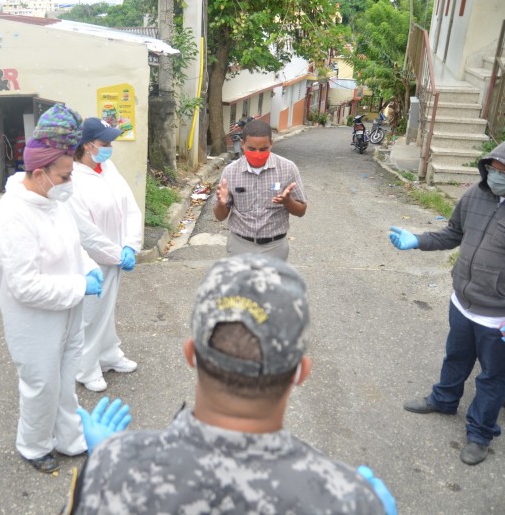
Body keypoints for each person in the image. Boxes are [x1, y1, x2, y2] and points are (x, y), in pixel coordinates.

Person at [63, 254, 394, 514]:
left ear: (191, 354)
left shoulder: (113, 465)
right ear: (301, 372)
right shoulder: (347, 499)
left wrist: (105, 465)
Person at [390, 136, 505, 465]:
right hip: (463, 303)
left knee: (493, 377)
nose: (496, 177)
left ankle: (480, 432)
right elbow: (453, 233)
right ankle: (444, 399)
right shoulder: (476, 194)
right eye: (492, 169)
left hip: (504, 318)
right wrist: (418, 240)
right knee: (456, 357)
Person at [0, 104, 104, 474]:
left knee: (65, 380)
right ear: (39, 173)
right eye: (64, 176)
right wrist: (79, 286)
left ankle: (69, 438)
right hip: (33, 321)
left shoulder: (53, 201)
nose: (70, 182)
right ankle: (34, 445)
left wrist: (90, 268)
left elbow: (73, 247)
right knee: (41, 385)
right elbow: (24, 286)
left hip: (67, 310)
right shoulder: (13, 216)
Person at [67, 117, 143, 392]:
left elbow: (130, 206)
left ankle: (109, 355)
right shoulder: (73, 179)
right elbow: (85, 232)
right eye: (105, 142)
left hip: (117, 254)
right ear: (88, 146)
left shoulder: (107, 167)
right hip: (94, 260)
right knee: (90, 315)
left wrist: (130, 245)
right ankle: (85, 369)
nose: (110, 146)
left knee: (106, 311)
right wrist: (115, 254)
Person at [213, 119, 308, 261]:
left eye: (263, 149)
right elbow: (220, 216)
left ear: (271, 144)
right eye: (251, 149)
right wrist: (221, 204)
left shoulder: (288, 168)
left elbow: (301, 211)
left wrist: (288, 202)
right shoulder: (230, 172)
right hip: (240, 246)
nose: (257, 153)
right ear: (242, 144)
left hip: (275, 248)